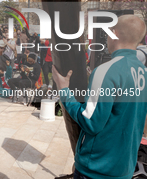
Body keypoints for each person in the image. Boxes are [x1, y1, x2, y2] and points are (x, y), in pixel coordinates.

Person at [52, 15, 147, 179]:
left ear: (114, 34)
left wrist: (64, 90)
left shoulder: (106, 71)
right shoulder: (143, 73)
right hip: (124, 169)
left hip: (97, 169)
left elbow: (91, 122)